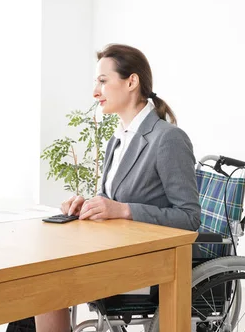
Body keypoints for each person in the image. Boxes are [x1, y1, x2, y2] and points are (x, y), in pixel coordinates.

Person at [11, 43, 201, 332]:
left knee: (47, 280)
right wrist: (87, 204)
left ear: (131, 82)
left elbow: (189, 218)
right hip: (111, 250)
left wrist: (124, 210)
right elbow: (110, 199)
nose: (95, 92)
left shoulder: (168, 139)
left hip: (146, 264)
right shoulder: (118, 139)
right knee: (34, 272)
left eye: (102, 81)